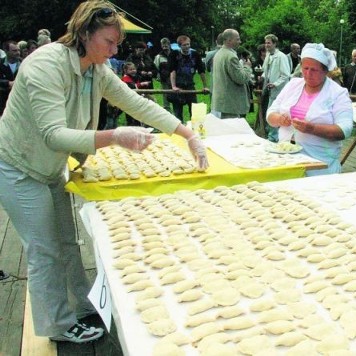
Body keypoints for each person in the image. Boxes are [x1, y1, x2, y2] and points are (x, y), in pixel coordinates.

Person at [0, 0, 208, 343]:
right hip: (19, 165)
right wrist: (114, 136)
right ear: (83, 33)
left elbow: (133, 101)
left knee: (67, 242)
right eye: (109, 42)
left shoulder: (95, 68)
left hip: (50, 167)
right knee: (45, 250)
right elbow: (53, 134)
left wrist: (186, 134)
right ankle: (57, 325)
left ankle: (82, 306)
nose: (114, 49)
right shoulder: (45, 66)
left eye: (117, 44)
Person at [266, 43, 353, 176]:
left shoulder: (338, 93)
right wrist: (279, 119)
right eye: (305, 68)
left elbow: (345, 130)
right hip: (286, 158)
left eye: (314, 70)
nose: (308, 73)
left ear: (325, 71)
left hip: (320, 164)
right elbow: (270, 113)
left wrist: (312, 129)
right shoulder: (293, 84)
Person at [211, 29, 254, 118]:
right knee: (231, 131)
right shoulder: (231, 56)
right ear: (229, 40)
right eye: (237, 39)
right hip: (230, 105)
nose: (240, 41)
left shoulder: (219, 53)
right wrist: (247, 67)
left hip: (221, 103)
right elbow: (241, 79)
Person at [168, 35, 208, 122]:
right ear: (179, 46)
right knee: (178, 113)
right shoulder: (174, 54)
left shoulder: (195, 54)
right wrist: (173, 86)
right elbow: (172, 70)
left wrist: (205, 86)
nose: (187, 47)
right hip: (178, 86)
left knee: (194, 111)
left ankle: (195, 129)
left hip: (189, 85)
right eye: (184, 45)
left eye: (188, 44)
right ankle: (179, 130)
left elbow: (201, 71)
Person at [262, 34, 291, 142]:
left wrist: (275, 83)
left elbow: (286, 74)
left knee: (274, 112)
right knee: (269, 111)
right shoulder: (268, 55)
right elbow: (267, 71)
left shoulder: (281, 56)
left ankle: (273, 138)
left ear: (274, 43)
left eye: (269, 43)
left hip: (280, 91)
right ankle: (273, 136)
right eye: (266, 43)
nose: (266, 45)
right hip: (270, 89)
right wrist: (262, 77)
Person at [121, 62, 151, 126]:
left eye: (134, 69)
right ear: (125, 71)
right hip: (128, 101)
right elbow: (132, 86)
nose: (133, 71)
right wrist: (141, 84)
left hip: (136, 99)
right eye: (131, 69)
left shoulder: (136, 77)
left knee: (138, 116)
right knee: (131, 117)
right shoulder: (125, 78)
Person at [153, 37, 173, 111]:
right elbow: (156, 68)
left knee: (175, 98)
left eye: (166, 46)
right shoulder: (158, 57)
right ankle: (168, 113)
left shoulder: (175, 54)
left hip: (175, 80)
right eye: (163, 46)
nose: (165, 47)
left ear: (169, 45)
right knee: (166, 98)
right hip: (164, 80)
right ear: (161, 46)